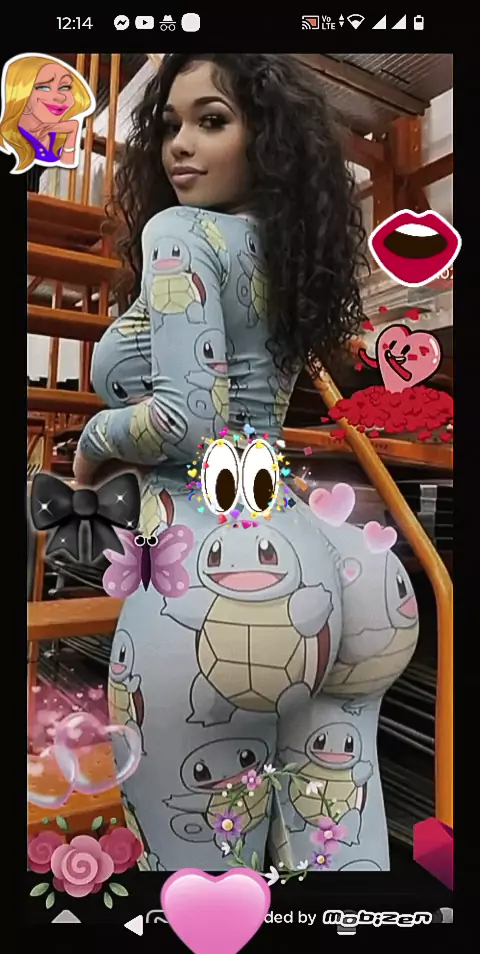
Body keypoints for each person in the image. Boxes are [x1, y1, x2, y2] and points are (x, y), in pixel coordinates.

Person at [74, 54, 419, 873]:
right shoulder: (295, 253)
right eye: (170, 125)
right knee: (335, 853)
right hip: (339, 568)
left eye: (212, 120)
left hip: (211, 574)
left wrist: (91, 443)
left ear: (267, 139)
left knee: (198, 878)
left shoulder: (178, 234)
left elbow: (187, 421)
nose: (178, 145)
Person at [0, 53, 95, 174]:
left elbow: (68, 176)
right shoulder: (9, 143)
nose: (60, 97)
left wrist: (72, 134)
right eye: (44, 87)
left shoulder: (59, 135)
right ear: (21, 93)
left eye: (65, 87)